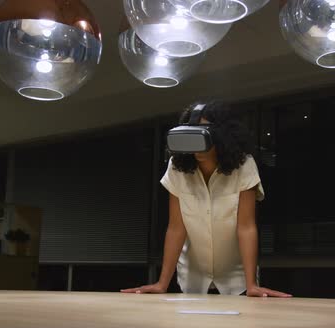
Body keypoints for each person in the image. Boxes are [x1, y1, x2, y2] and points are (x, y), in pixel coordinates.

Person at [122, 101, 291, 298]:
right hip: (192, 277)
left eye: (202, 132)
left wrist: (251, 284)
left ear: (222, 135)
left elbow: (246, 227)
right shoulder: (177, 168)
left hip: (236, 279)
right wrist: (162, 283)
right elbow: (176, 228)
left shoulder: (244, 165)